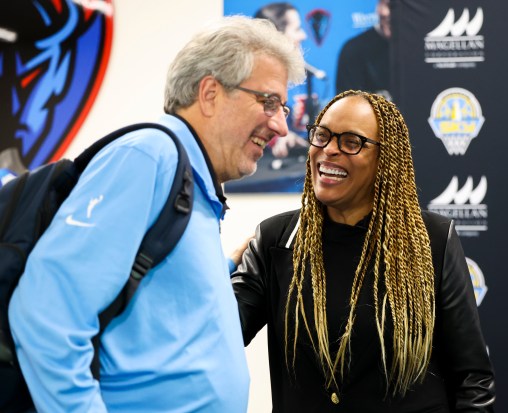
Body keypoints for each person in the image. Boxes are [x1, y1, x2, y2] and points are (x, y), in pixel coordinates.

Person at [8, 15, 305, 412]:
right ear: (211, 93)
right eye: (269, 102)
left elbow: (157, 302)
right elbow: (45, 312)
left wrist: (224, 266)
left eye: (283, 107)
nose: (282, 126)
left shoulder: (192, 182)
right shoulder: (150, 156)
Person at [231, 91, 496, 411]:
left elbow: (472, 379)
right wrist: (218, 269)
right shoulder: (277, 240)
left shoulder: (431, 240)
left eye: (351, 142)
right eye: (322, 136)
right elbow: (219, 334)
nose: (329, 150)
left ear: (386, 160)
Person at [254, 2, 312, 159]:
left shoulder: (305, 76)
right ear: (277, 38)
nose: (304, 36)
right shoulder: (252, 85)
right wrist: (274, 139)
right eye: (297, 29)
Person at [336, 0, 392, 100]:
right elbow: (345, 110)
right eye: (388, 5)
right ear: (378, 7)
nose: (388, 13)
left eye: (395, 7)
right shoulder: (353, 50)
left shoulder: (423, 48)